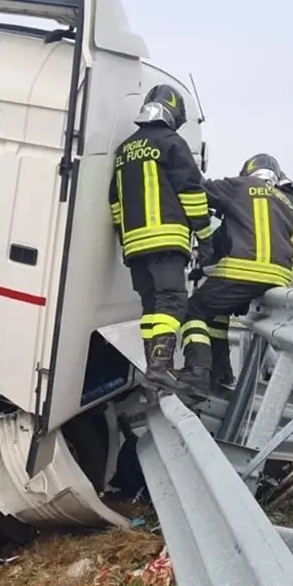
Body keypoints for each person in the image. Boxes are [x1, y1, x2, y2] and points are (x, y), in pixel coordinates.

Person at [177, 153, 293, 399]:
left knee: (193, 312)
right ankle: (221, 372)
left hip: (240, 272)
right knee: (217, 312)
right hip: (278, 281)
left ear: (248, 171)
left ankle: (196, 375)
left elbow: (198, 191)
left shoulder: (240, 186)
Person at [108, 83, 214, 393]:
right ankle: (160, 368)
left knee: (151, 307)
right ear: (173, 112)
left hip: (135, 246)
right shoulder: (172, 143)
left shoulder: (124, 150)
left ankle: (153, 368)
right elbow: (192, 193)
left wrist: (125, 240)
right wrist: (205, 238)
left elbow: (115, 202)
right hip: (166, 240)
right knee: (173, 302)